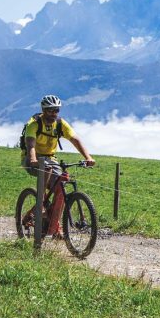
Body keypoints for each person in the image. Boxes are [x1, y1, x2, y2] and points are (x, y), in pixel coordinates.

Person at [22, 95, 95, 236]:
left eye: (56, 110)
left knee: (62, 185)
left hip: (50, 158)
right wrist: (33, 159)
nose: (53, 113)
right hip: (32, 158)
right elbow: (30, 143)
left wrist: (88, 157)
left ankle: (54, 227)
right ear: (43, 110)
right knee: (46, 169)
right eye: (50, 110)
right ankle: (40, 205)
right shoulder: (34, 123)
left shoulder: (60, 123)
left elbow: (75, 139)